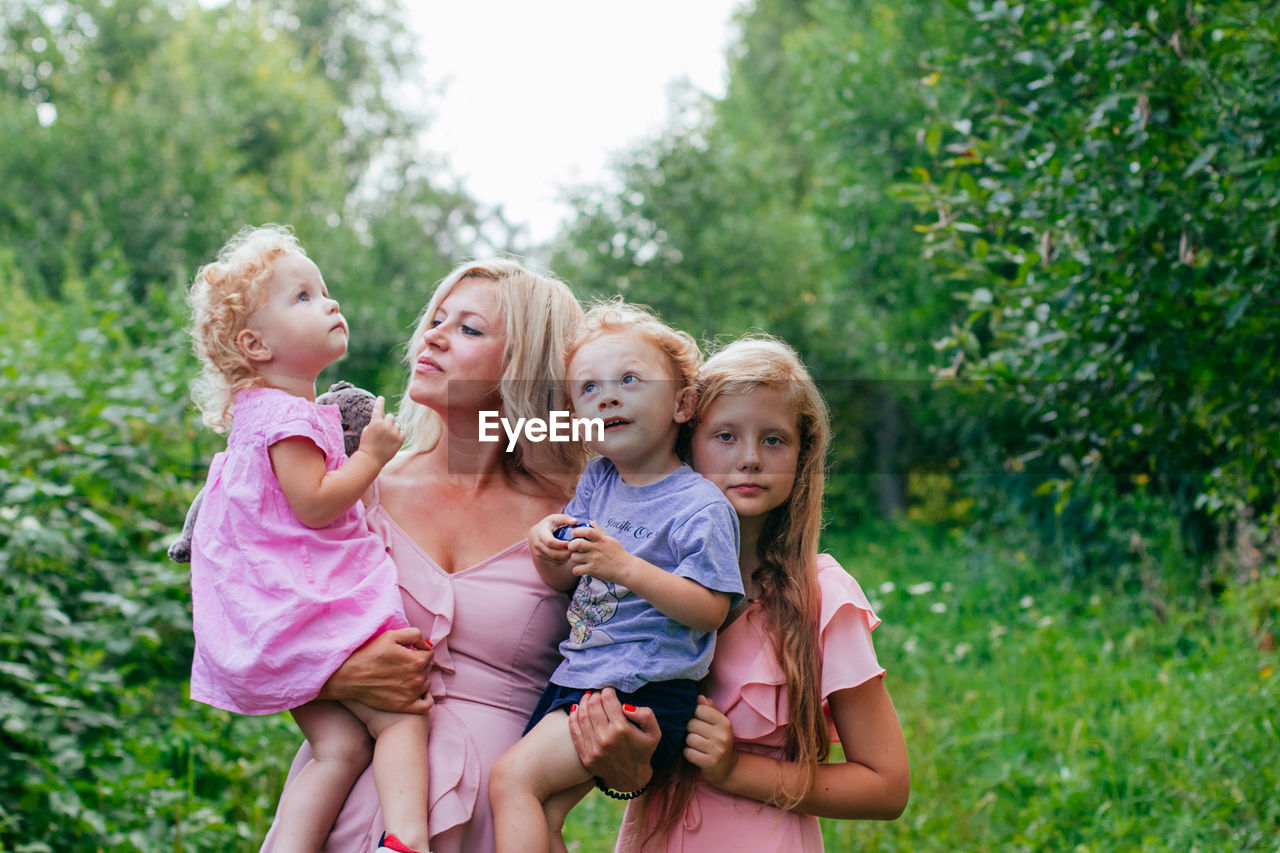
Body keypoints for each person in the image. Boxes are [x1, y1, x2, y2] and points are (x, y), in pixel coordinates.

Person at [260, 257, 588, 853]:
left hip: (497, 826)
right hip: (349, 817)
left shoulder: (578, 514)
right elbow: (255, 623)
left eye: (468, 329)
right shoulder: (356, 487)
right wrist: (333, 676)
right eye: (437, 319)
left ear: (523, 370)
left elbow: (634, 669)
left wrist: (612, 769)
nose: (433, 336)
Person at [569, 336, 911, 851]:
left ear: (802, 455)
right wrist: (627, 769)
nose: (750, 458)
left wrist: (735, 770)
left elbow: (886, 787)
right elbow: (637, 774)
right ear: (687, 441)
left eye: (774, 440)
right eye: (725, 436)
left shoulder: (823, 597)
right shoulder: (639, 581)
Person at [185, 225, 431, 853]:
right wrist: (371, 456)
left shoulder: (261, 411)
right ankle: (407, 841)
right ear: (255, 344)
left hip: (270, 609)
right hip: (301, 603)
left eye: (325, 291)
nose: (330, 304)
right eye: (303, 297)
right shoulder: (286, 418)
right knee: (401, 715)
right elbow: (317, 507)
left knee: (339, 746)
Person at [488, 302, 745, 853]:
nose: (607, 396)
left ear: (681, 403)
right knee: (544, 812)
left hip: (644, 685)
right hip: (586, 673)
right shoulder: (599, 480)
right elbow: (571, 581)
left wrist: (626, 566)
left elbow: (711, 610)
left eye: (630, 379)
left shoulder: (698, 505)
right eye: (588, 389)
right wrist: (547, 553)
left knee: (512, 782)